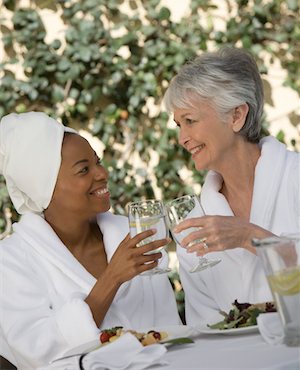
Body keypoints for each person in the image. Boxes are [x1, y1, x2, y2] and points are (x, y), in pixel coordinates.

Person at [0, 112, 181, 369]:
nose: (102, 173)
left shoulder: (133, 236)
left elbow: (170, 329)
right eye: (84, 169)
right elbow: (38, 354)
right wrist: (111, 279)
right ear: (45, 188)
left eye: (98, 162)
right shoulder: (11, 261)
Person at [163, 46, 300, 325]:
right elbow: (206, 324)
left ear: (236, 116)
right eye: (179, 124)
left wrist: (250, 237)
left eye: (190, 121)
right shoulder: (195, 222)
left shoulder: (295, 178)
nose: (182, 138)